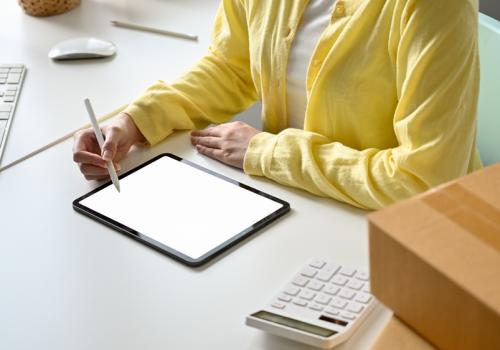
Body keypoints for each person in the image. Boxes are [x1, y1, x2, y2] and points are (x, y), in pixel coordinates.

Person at [73, 0, 481, 210]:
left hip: (403, 233)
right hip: (297, 203)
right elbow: (233, 66)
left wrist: (266, 152)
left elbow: (423, 180)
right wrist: (136, 121)